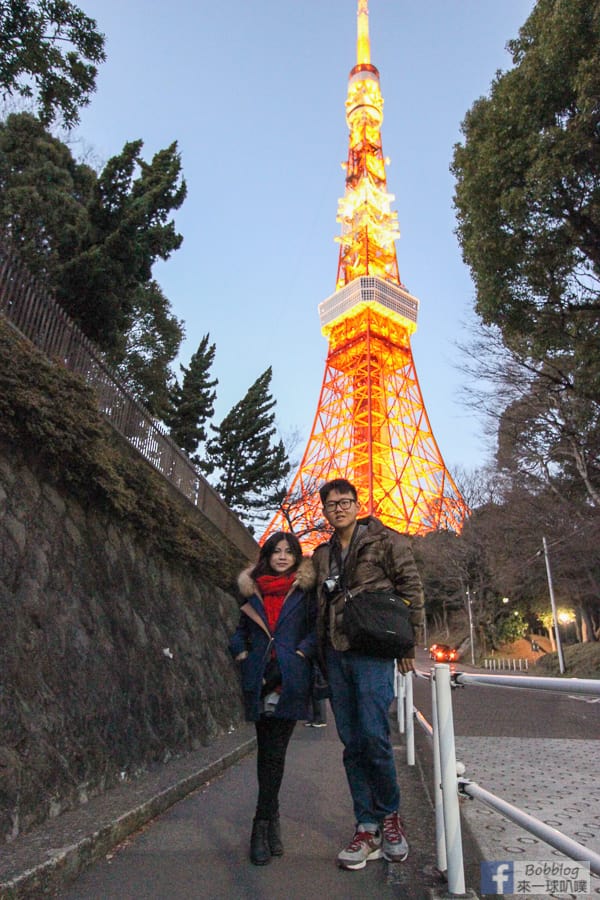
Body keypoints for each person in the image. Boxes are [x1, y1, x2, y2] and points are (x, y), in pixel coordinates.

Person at [312, 478, 425, 871]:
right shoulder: (322, 553)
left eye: (345, 501)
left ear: (357, 504)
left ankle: (390, 816)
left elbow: (411, 587)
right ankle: (366, 825)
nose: (338, 508)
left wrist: (408, 645)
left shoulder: (386, 540)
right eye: (331, 504)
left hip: (373, 651)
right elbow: (315, 597)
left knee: (375, 736)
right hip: (336, 653)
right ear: (324, 510)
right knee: (351, 742)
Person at [229, 531, 316, 866]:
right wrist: (241, 653)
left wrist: (300, 653)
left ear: (297, 557)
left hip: (289, 679)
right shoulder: (252, 591)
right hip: (260, 677)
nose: (282, 556)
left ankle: (260, 825)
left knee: (274, 753)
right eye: (276, 551)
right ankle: (272, 820)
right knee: (268, 753)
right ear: (266, 555)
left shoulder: (304, 594)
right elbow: (240, 631)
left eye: (289, 551)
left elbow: (314, 631)